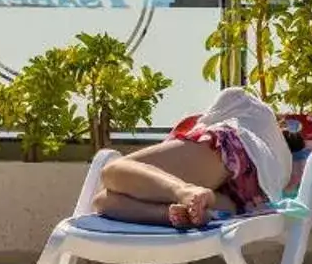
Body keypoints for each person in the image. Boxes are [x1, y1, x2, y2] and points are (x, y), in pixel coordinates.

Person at [91, 87, 289, 229]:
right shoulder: (277, 159)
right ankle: (172, 213)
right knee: (102, 201)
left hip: (234, 152)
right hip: (247, 199)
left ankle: (184, 191)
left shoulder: (249, 108)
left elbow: (216, 114)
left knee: (111, 172)